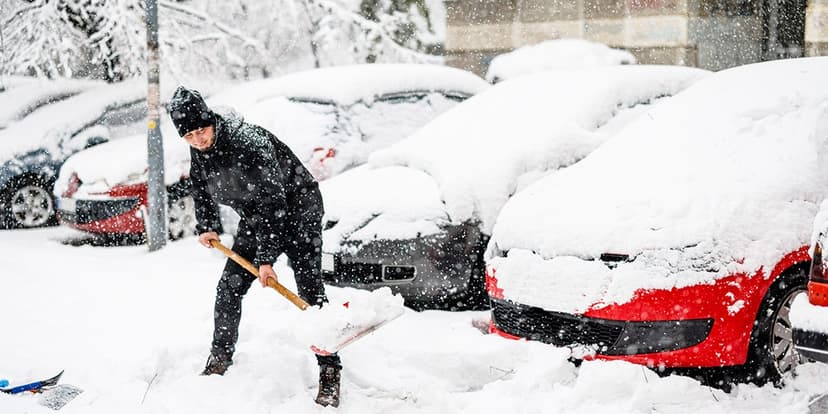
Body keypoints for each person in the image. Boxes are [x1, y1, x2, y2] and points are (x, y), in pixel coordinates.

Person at [168, 85, 341, 407]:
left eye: (201, 131)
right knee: (229, 287)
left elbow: (274, 201)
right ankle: (220, 356)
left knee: (310, 292)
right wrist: (208, 226)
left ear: (211, 121)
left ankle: (330, 369)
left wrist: (265, 259)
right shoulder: (199, 146)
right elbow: (201, 186)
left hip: (298, 211)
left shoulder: (249, 142)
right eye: (188, 135)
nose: (197, 140)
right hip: (257, 217)